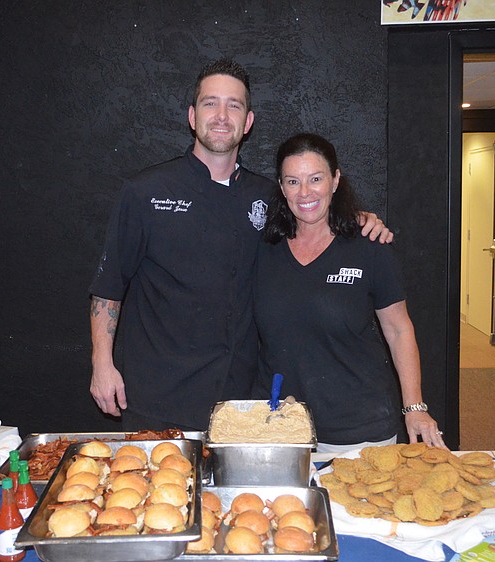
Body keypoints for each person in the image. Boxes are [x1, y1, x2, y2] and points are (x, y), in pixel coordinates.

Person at [89, 59, 391, 431]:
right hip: (158, 397)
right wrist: (102, 364)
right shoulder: (146, 192)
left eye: (233, 105)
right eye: (210, 103)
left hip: (241, 403)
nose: (221, 115)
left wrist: (357, 219)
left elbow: (313, 214)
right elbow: (109, 285)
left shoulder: (268, 196)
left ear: (247, 122)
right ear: (192, 116)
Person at [253, 132, 445, 454]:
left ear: (335, 180)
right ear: (282, 187)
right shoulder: (264, 249)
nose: (305, 192)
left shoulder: (369, 246)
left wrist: (415, 407)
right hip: (281, 429)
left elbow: (399, 330)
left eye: (316, 179)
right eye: (293, 181)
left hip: (358, 429)